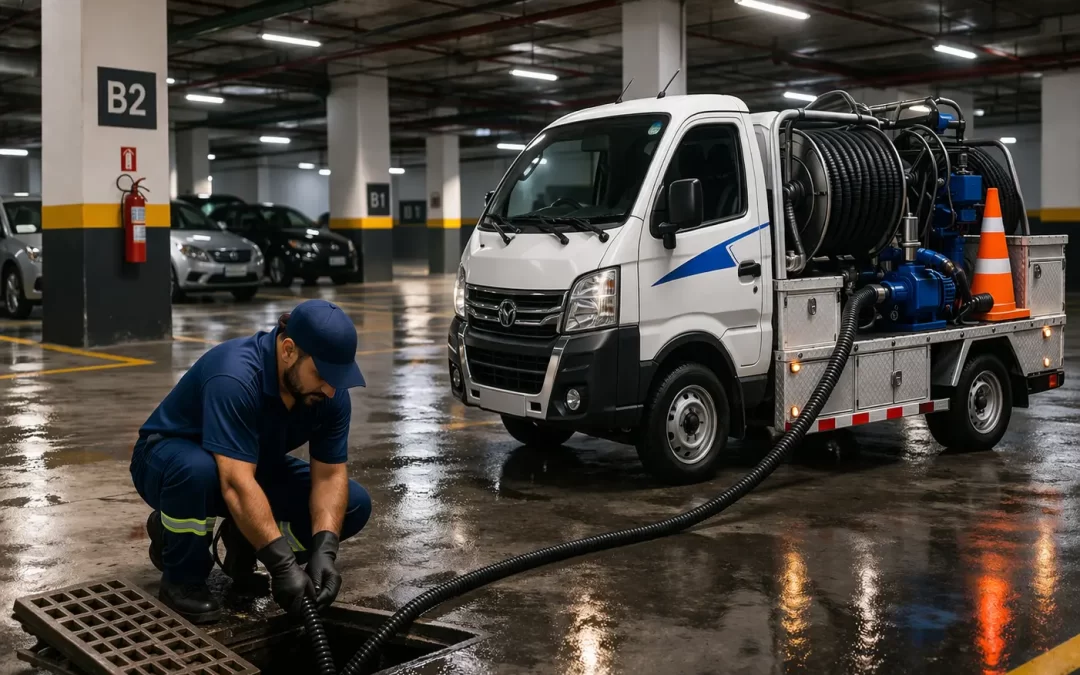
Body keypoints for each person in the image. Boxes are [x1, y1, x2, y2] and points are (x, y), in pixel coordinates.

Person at [129, 299, 372, 623]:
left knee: (353, 505)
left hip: (248, 466)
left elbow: (329, 478)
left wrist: (324, 552)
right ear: (288, 350)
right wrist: (282, 565)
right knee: (197, 472)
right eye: (322, 374)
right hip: (168, 459)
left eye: (338, 378)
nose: (330, 389)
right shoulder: (235, 376)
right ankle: (181, 576)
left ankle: (242, 539)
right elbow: (235, 482)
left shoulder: (328, 394)